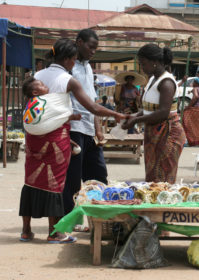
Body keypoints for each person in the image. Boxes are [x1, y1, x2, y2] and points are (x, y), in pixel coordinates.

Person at [19, 38, 125, 243]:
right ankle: (55, 233)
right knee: (56, 184)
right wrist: (116, 115)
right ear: (68, 59)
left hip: (34, 138)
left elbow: (36, 110)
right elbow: (93, 108)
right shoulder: (68, 79)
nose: (74, 63)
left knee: (31, 182)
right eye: (73, 59)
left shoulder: (37, 75)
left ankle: (26, 230)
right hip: (56, 138)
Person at [62, 29, 121, 221]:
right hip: (74, 129)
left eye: (96, 48)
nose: (93, 51)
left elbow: (93, 101)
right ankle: (71, 219)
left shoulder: (88, 67)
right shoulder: (69, 68)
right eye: (91, 47)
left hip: (89, 129)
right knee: (73, 179)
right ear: (79, 42)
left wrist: (98, 129)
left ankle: (97, 218)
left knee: (98, 175)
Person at [122, 43, 186, 184]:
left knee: (163, 179)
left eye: (143, 64)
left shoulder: (166, 82)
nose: (142, 68)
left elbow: (163, 112)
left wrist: (135, 121)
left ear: (155, 62)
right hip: (155, 133)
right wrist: (133, 116)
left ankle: (165, 207)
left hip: (168, 134)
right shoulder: (152, 79)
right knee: (153, 178)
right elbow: (148, 109)